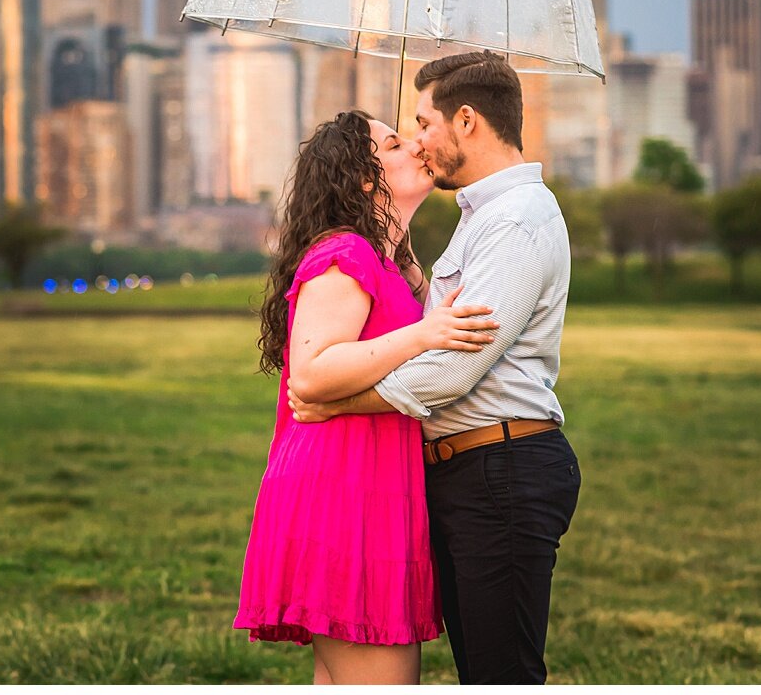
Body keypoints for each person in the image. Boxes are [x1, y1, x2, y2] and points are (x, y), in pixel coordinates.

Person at [289, 51, 580, 684]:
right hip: (456, 474)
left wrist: (335, 402)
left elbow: (449, 372)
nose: (419, 142)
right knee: (478, 668)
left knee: (500, 674)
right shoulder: (474, 219)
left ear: (467, 121)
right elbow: (424, 335)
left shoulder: (517, 219)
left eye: (423, 123)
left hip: (498, 466)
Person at [234, 109, 501, 684]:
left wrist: (410, 275)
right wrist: (424, 331)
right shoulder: (346, 255)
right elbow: (312, 372)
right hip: (342, 492)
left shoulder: (385, 263)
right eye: (396, 145)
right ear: (361, 177)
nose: (418, 148)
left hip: (369, 490)